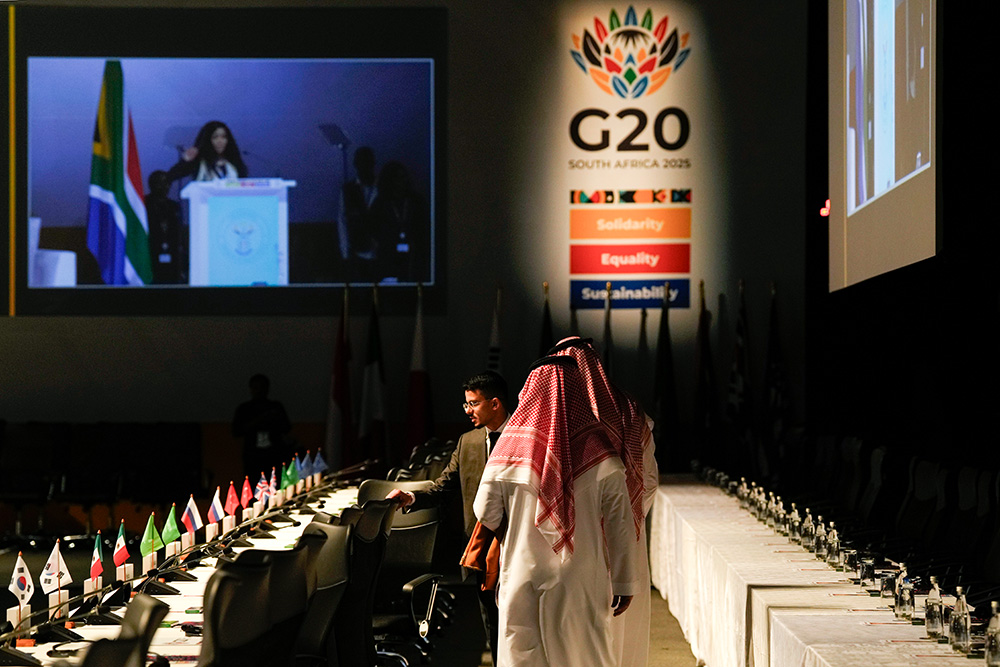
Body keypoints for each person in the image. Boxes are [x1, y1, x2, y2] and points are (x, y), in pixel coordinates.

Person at [473, 356, 637, 667]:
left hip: (522, 572)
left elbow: (485, 511)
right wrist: (624, 581)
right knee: (585, 657)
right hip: (581, 577)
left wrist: (516, 534)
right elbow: (619, 523)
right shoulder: (602, 454)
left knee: (524, 658)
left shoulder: (507, 448)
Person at [549, 336, 658, 667]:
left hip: (572, 541)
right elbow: (649, 483)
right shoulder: (632, 411)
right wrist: (627, 518)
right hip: (627, 539)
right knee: (622, 634)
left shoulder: (558, 415)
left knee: (575, 638)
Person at [387, 370, 510, 666]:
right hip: (481, 543)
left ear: (495, 403)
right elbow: (444, 486)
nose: (467, 411)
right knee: (491, 620)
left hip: (518, 542)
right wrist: (412, 498)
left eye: (474, 404)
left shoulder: (526, 436)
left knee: (520, 621)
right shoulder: (468, 442)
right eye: (465, 404)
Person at [369, 161, 429, 283]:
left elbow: (424, 227)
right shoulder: (380, 203)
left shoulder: (416, 201)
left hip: (414, 256)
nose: (402, 181)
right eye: (397, 177)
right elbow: (373, 228)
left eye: (404, 177)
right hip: (388, 257)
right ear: (389, 180)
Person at [232, 374, 291, 480]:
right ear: (251, 389)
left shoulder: (275, 407)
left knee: (275, 485)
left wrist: (272, 421)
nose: (259, 391)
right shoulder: (244, 409)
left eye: (262, 387)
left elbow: (287, 427)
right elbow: (236, 431)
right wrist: (256, 422)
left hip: (273, 454)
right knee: (253, 487)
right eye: (256, 387)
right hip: (253, 456)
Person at [338, 146, 378, 280]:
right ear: (356, 165)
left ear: (373, 164)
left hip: (380, 250)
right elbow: (342, 220)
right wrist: (345, 252)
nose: (364, 167)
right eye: (361, 163)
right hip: (357, 250)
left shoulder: (382, 187)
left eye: (367, 162)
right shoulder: (348, 189)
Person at [166, 121, 248, 183]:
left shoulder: (234, 163)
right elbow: (170, 176)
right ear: (207, 140)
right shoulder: (198, 162)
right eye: (215, 137)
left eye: (224, 137)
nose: (220, 141)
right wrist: (185, 161)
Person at [145, 170, 186, 284]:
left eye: (168, 183)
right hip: (150, 254)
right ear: (152, 185)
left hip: (171, 254)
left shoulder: (174, 206)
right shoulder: (143, 203)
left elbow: (180, 234)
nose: (166, 186)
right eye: (161, 183)